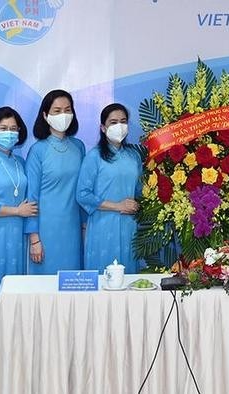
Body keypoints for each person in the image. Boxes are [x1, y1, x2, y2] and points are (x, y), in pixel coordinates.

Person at [0, 107, 37, 339]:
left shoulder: (20, 162)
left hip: (17, 237)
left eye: (13, 129)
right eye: (4, 129)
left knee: (17, 288)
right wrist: (17, 210)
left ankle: (15, 343)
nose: (9, 133)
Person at [77, 103, 142, 274]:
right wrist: (118, 206)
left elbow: (140, 192)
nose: (119, 126)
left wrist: (138, 205)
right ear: (103, 128)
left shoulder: (134, 156)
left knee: (129, 278)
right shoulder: (94, 156)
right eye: (113, 122)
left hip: (130, 226)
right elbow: (82, 195)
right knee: (104, 279)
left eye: (123, 121)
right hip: (103, 226)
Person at [25, 90, 85, 274]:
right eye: (57, 111)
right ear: (45, 115)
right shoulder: (37, 150)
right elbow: (31, 197)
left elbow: (83, 191)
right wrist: (34, 239)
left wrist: (84, 227)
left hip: (73, 229)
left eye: (67, 110)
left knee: (72, 287)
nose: (63, 115)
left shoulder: (79, 146)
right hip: (46, 230)